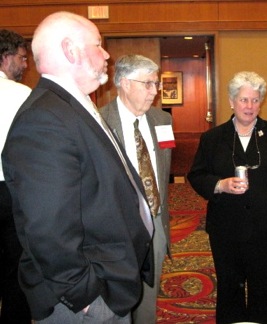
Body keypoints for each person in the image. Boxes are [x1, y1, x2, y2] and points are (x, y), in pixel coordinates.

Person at [1, 11, 154, 323]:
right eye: (98, 45)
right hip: (83, 302)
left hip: (105, 277)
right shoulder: (44, 119)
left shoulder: (73, 105)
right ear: (71, 50)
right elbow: (47, 229)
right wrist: (89, 299)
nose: (106, 54)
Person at [187, 71, 267, 323]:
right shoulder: (213, 138)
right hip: (226, 228)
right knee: (230, 289)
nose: (249, 106)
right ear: (231, 101)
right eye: (243, 100)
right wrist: (220, 184)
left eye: (255, 100)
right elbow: (196, 175)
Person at [100, 54, 173, 324]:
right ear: (125, 83)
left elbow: (163, 170)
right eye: (148, 84)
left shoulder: (163, 120)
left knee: (148, 300)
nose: (155, 92)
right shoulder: (99, 121)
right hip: (116, 227)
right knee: (117, 297)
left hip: (155, 223)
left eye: (156, 84)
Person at [0, 29, 32, 324]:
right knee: (15, 271)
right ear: (6, 56)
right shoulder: (23, 96)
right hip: (10, 192)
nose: (26, 65)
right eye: (22, 58)